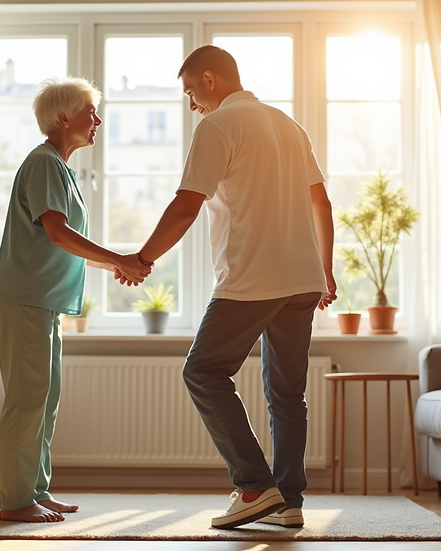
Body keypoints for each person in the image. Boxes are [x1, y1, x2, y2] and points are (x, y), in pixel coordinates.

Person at [134, 45, 337, 529]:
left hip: (253, 276)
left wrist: (143, 258)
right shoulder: (289, 126)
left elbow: (186, 206)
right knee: (287, 395)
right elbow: (322, 204)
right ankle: (289, 503)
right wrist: (325, 271)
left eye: (191, 93)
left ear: (210, 79)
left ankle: (254, 486)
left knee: (202, 371)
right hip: (302, 279)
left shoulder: (218, 125)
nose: (192, 106)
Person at [0, 77, 151, 523]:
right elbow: (59, 233)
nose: (97, 120)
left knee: (45, 399)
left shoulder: (59, 168)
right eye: (90, 112)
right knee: (27, 400)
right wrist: (119, 259)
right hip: (25, 297)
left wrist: (118, 266)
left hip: (43, 301)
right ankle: (16, 501)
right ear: (63, 117)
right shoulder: (43, 163)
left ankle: (35, 490)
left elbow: (62, 241)